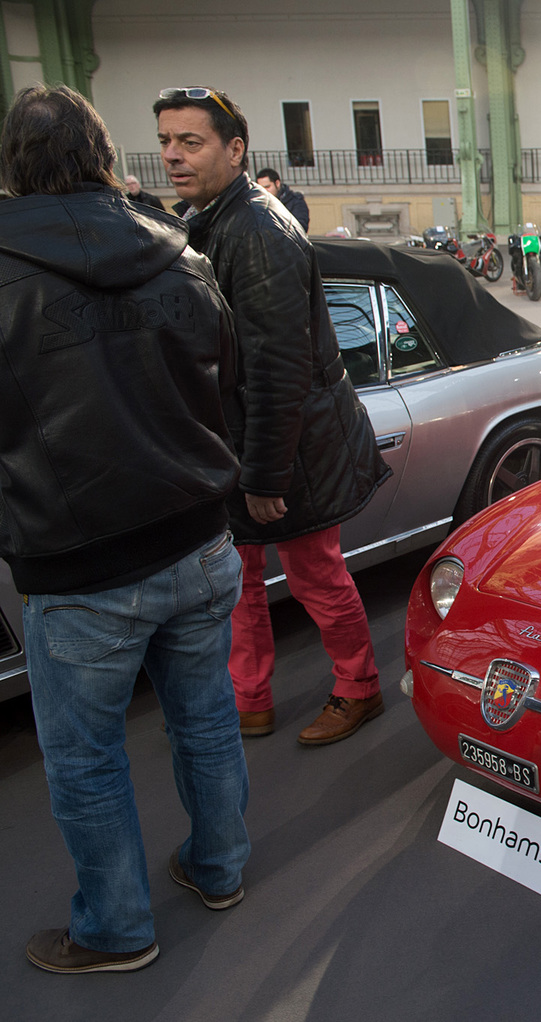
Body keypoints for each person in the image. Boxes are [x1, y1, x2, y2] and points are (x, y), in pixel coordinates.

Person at [0, 85, 250, 974]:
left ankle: (114, 929)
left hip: (79, 566)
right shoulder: (181, 253)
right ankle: (220, 871)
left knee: (86, 762)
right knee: (208, 719)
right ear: (105, 155)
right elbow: (223, 382)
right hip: (199, 536)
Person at [155, 87, 390, 745]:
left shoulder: (258, 232)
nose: (173, 155)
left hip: (286, 449)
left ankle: (359, 688)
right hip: (240, 441)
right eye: (167, 142)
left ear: (235, 150)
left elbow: (279, 369)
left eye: (190, 142)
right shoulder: (207, 218)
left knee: (316, 572)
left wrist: (264, 476)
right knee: (240, 579)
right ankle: (250, 698)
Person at [255, 166, 310, 231]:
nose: (264, 191)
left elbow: (301, 227)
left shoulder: (295, 201)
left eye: (267, 187)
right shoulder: (257, 204)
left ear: (277, 183)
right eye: (261, 188)